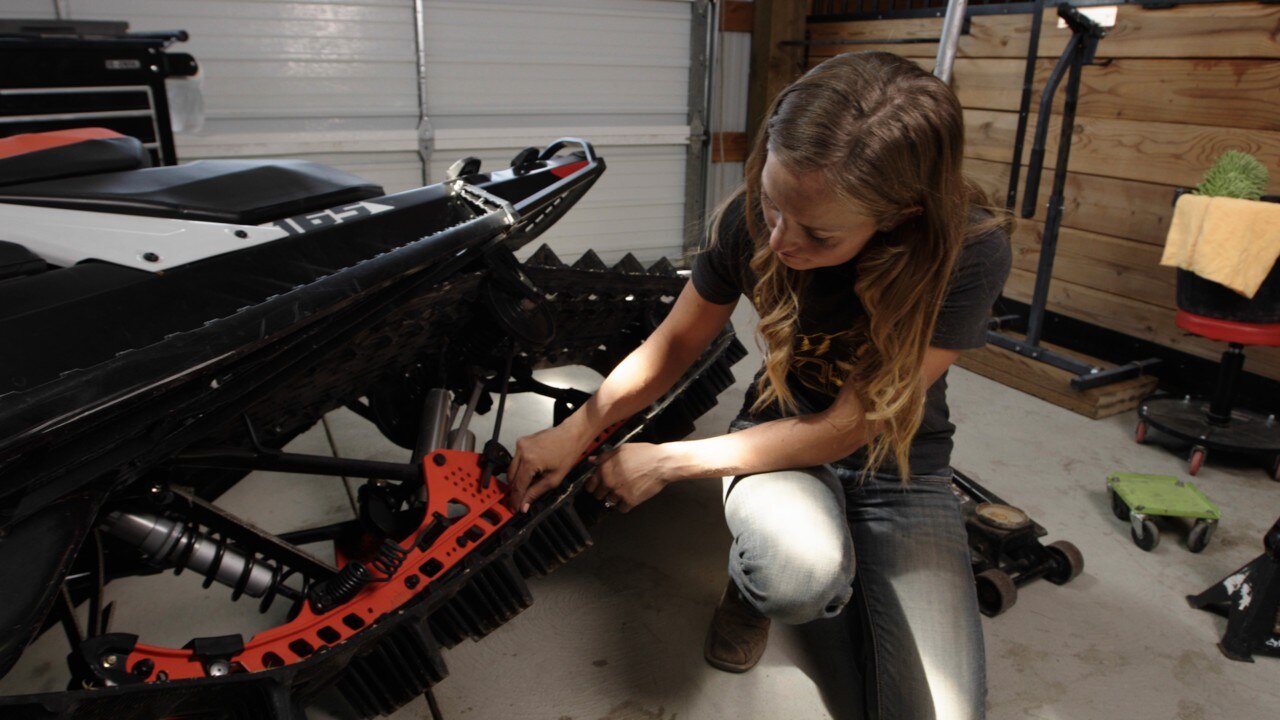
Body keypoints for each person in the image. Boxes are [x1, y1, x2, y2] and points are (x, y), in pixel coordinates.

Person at [508, 51, 1012, 719]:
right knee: (797, 579)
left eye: (818, 234)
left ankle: (843, 572)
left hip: (900, 462)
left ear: (898, 216)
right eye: (772, 204)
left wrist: (667, 461)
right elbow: (675, 343)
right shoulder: (749, 221)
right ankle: (757, 590)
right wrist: (577, 431)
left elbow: (849, 427)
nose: (778, 241)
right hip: (776, 437)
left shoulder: (968, 252)